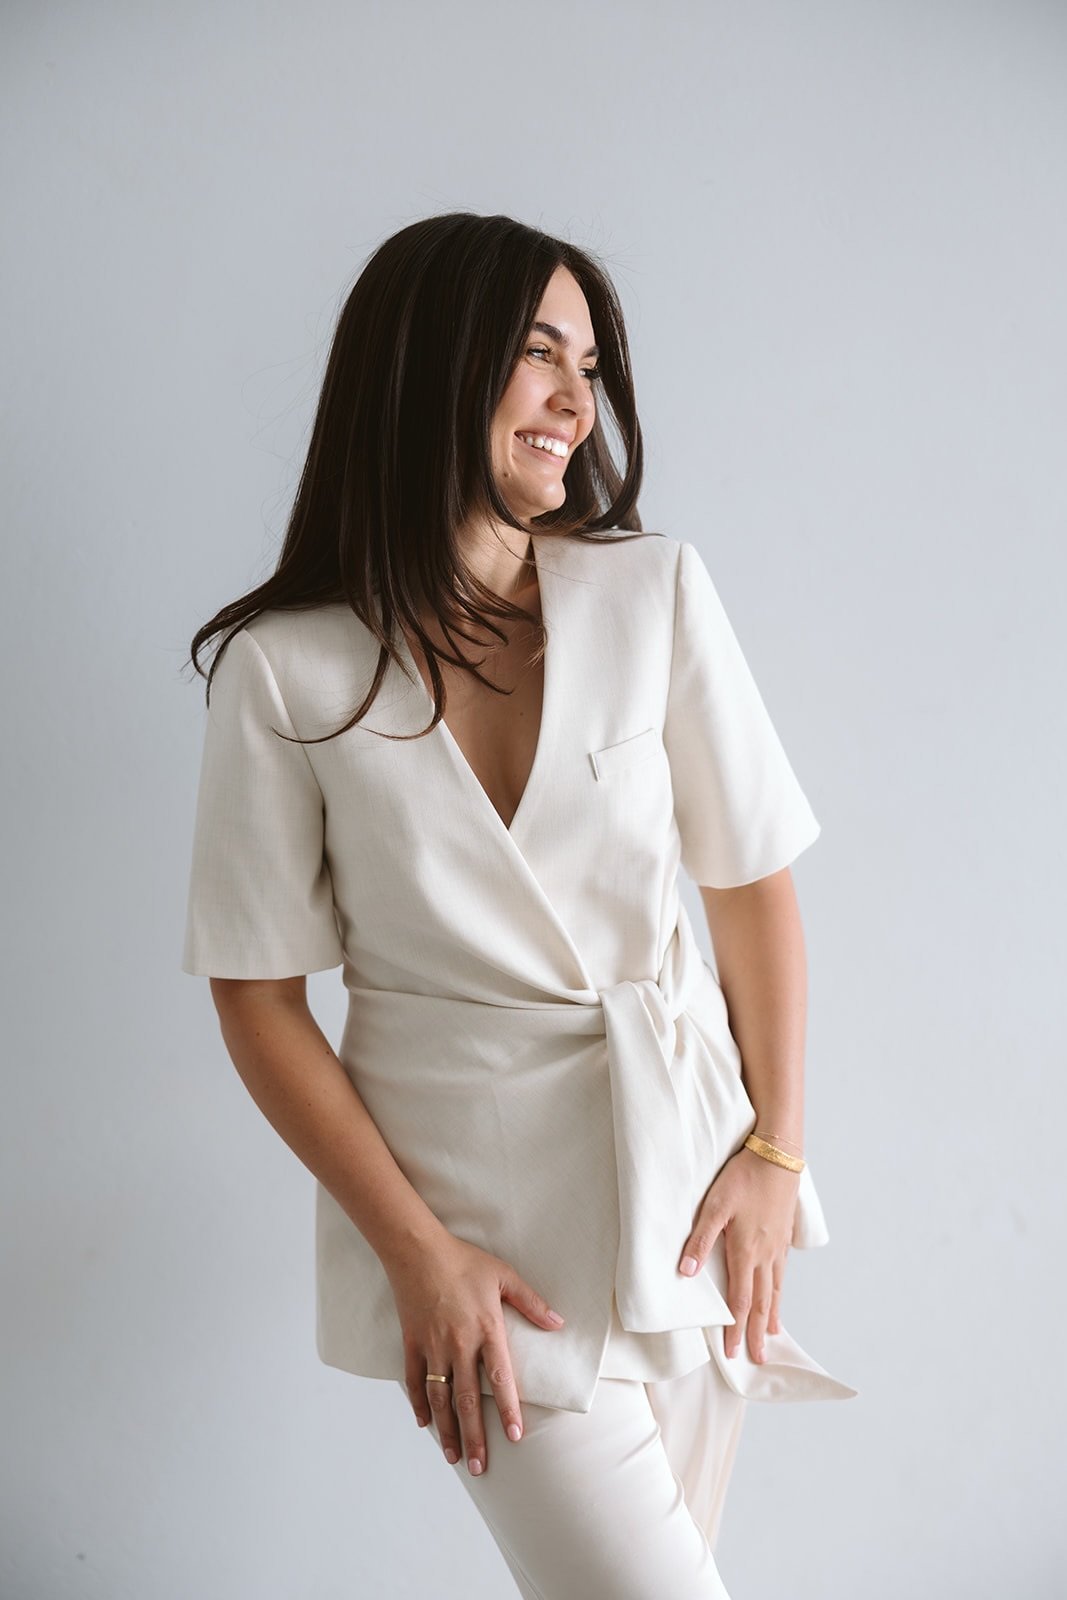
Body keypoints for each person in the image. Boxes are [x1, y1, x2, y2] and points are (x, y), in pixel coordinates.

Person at [180, 211, 857, 1598]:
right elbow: (258, 999)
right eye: (538, 353)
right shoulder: (287, 670)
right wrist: (417, 1256)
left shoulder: (653, 593)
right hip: (479, 1242)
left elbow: (751, 891)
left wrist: (777, 1156)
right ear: (431, 362)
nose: (574, 399)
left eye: (588, 367)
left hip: (690, 1198)